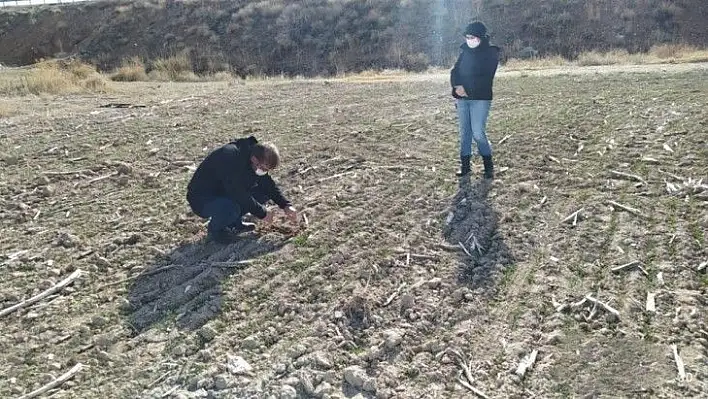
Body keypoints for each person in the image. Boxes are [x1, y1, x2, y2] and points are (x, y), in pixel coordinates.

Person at [186, 136, 298, 244]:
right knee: (231, 208)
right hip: (202, 199)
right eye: (263, 168)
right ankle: (216, 231)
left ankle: (234, 223)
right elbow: (237, 193)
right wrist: (262, 213)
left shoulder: (253, 160)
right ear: (254, 159)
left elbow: (267, 184)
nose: (264, 171)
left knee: (263, 193)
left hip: (224, 192)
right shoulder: (230, 157)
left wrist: (286, 205)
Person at [450, 21, 500, 179]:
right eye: (467, 37)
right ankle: (465, 167)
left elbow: (486, 77)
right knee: (465, 133)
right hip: (462, 99)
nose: (468, 40)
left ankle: (488, 166)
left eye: (472, 37)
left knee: (478, 133)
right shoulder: (464, 51)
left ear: (480, 37)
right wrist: (456, 87)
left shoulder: (491, 53)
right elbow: (455, 70)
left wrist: (468, 89)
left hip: (480, 98)